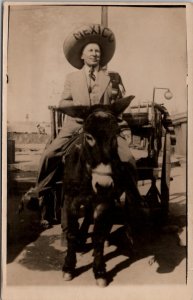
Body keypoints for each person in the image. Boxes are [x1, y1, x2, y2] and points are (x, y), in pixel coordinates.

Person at [25, 24, 138, 225]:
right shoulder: (72, 78)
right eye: (91, 51)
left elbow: (118, 106)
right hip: (76, 124)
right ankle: (40, 192)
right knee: (50, 154)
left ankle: (133, 197)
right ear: (82, 56)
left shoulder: (110, 79)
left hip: (104, 128)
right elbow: (63, 102)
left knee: (128, 158)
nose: (95, 54)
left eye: (98, 51)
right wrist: (80, 109)